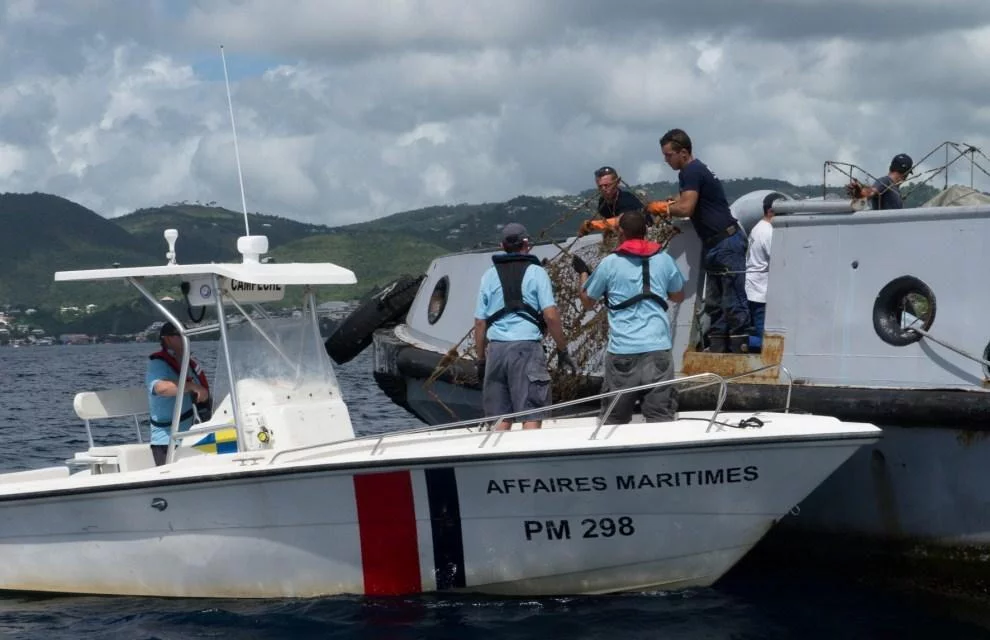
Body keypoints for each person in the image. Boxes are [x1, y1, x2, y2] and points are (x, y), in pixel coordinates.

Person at [573, 211, 686, 424]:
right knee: (661, 418)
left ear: (621, 232)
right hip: (658, 350)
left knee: (614, 420)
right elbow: (679, 295)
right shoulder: (664, 259)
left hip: (622, 353)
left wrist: (583, 274)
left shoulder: (610, 263)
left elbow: (588, 301)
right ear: (645, 231)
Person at [474, 223, 575, 431]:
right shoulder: (537, 272)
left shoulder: (488, 276)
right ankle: (530, 461)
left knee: (500, 417)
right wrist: (562, 349)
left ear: (502, 246)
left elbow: (480, 322)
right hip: (526, 349)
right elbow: (550, 315)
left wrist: (481, 360)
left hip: (496, 351)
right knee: (532, 411)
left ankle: (500, 460)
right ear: (527, 244)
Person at [657, 128, 750, 353]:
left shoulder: (690, 171)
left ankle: (738, 347)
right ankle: (719, 344)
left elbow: (687, 206)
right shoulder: (695, 171)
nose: (666, 160)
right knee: (717, 300)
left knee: (732, 298)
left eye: (668, 155)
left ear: (683, 152)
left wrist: (664, 208)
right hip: (718, 242)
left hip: (724, 243)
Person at [146, 321, 211, 466]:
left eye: (187, 335)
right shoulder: (158, 363)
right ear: (168, 339)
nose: (186, 339)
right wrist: (192, 387)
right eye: (181, 335)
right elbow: (160, 388)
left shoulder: (188, 364)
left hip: (194, 437)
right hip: (168, 441)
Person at [577, 166, 670, 237]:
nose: (604, 189)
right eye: (600, 186)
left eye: (607, 185)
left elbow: (623, 221)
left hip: (643, 235)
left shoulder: (626, 199)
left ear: (617, 182)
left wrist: (593, 225)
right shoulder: (602, 202)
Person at [745, 193, 783, 352]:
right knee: (763, 331)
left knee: (760, 327)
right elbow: (778, 260)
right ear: (770, 211)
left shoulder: (757, 227)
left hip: (753, 286)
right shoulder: (768, 232)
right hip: (761, 289)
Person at [846, 153, 913, 210]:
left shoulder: (894, 188)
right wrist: (859, 192)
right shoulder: (885, 181)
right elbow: (870, 192)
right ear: (906, 173)